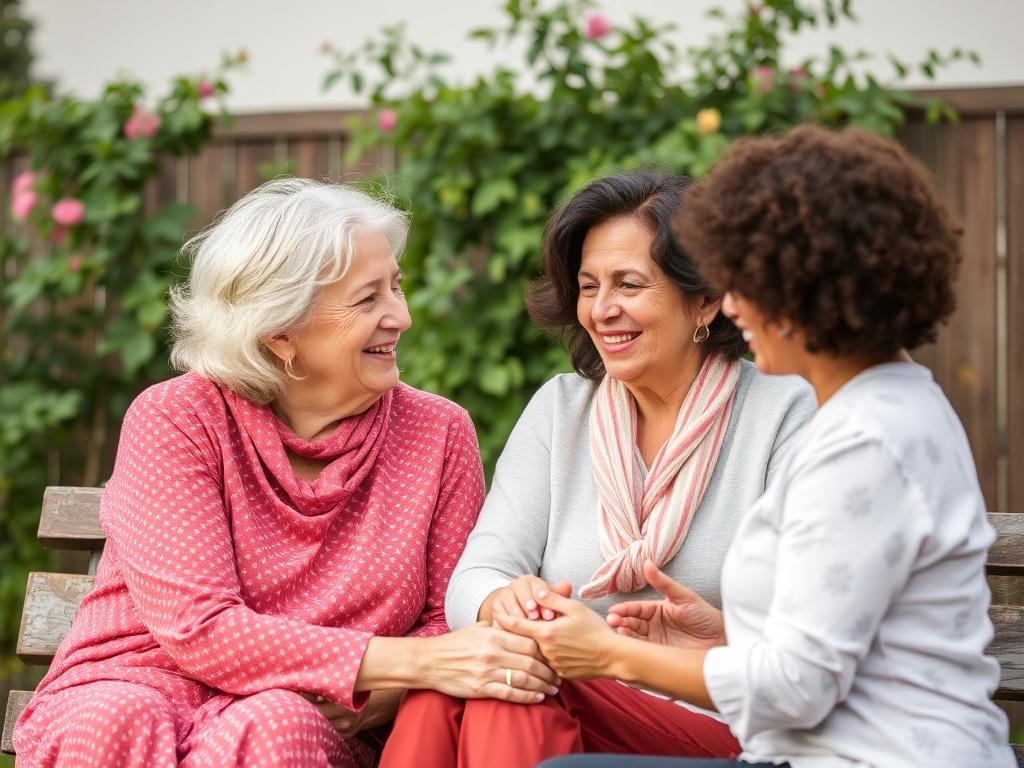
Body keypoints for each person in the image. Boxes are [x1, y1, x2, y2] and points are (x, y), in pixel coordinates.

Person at [497, 126, 1015, 768]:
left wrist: (610, 654)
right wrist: (724, 636)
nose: (732, 306)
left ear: (809, 290)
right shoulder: (891, 407)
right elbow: (842, 641)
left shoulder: (863, 442)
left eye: (745, 280)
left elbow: (799, 690)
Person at [13, 179, 561, 768]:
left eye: (396, 287)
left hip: (313, 714)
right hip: (146, 681)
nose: (400, 316)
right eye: (367, 298)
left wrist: (385, 694)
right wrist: (413, 666)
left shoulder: (436, 432)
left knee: (276, 723)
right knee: (114, 720)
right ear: (281, 336)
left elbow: (444, 619)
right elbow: (200, 628)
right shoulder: (177, 418)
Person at [379, 171, 816, 768]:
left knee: (515, 682)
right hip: (577, 707)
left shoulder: (784, 412)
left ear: (706, 299)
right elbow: (479, 572)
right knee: (462, 679)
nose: (603, 310)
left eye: (629, 285)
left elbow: (814, 644)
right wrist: (505, 602)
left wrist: (711, 631)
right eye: (588, 287)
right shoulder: (561, 410)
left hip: (726, 722)